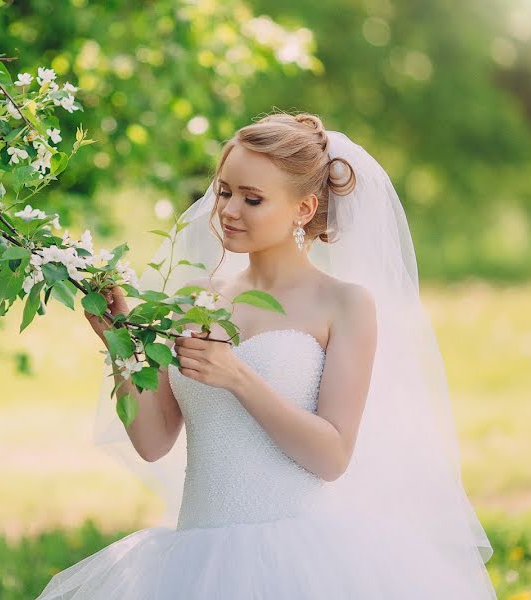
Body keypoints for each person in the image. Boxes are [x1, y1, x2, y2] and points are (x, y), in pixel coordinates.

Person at [37, 112, 497, 599]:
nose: (229, 210)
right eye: (224, 192)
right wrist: (118, 342)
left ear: (304, 209)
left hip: (298, 556)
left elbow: (333, 455)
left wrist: (239, 377)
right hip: (195, 559)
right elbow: (153, 441)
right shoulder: (197, 299)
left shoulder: (344, 304)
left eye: (252, 199)